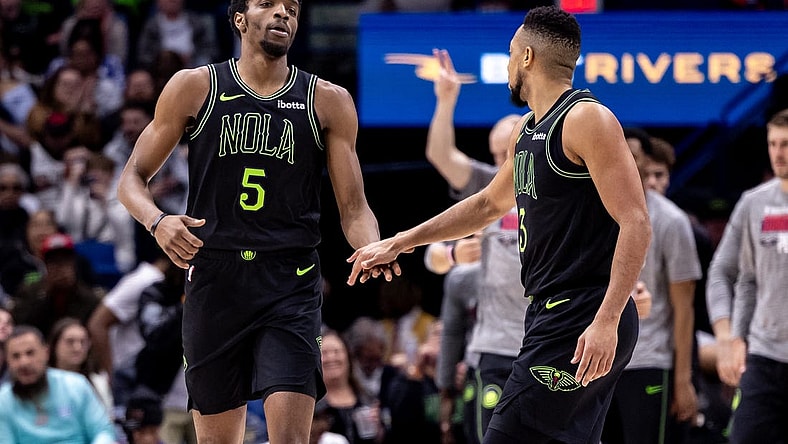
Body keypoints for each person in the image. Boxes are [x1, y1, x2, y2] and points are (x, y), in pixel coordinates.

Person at [347, 6, 651, 443]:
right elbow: (487, 204)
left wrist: (606, 319)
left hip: (582, 314)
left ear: (527, 57)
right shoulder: (526, 130)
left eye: (510, 54)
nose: (508, 65)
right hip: (552, 313)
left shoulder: (587, 119)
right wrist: (403, 240)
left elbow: (636, 223)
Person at [116, 1, 396, 442]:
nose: (283, 13)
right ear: (240, 19)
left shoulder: (328, 100)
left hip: (289, 279)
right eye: (268, 4)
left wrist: (371, 245)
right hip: (214, 278)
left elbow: (354, 207)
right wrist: (157, 221)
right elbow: (130, 178)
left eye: (293, 7)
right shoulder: (195, 87)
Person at [421, 47, 526, 444]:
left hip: (549, 343)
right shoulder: (488, 187)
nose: (503, 161)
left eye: (509, 153)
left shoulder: (558, 191)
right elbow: (440, 154)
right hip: (495, 347)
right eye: (497, 154)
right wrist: (446, 101)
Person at [601, 130, 702, 444]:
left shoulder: (671, 221)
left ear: (645, 164)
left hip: (648, 361)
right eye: (622, 152)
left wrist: (684, 380)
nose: (628, 160)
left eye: (635, 155)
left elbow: (684, 309)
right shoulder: (591, 212)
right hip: (596, 362)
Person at [723, 109, 788, 443]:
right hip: (764, 354)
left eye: (786, 144)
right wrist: (736, 338)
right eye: (773, 144)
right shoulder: (754, 204)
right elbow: (745, 278)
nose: (778, 153)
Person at [0, 325, 116, 443]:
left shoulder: (75, 385)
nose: (24, 362)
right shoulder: (3, 400)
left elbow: (102, 431)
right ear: (7, 361)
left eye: (30, 353)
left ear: (46, 353)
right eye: (16, 356)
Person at [47, 316, 113, 413]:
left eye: (83, 342)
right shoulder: (42, 383)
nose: (77, 348)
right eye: (70, 342)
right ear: (54, 345)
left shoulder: (99, 383)